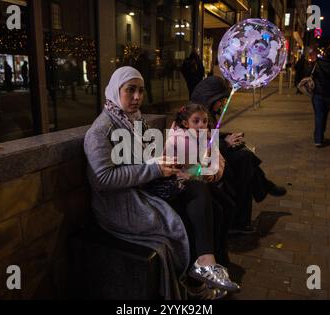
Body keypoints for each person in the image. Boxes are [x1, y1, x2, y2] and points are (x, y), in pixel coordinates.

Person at [84, 66, 239, 300]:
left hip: (146, 187)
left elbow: (147, 157)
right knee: (193, 202)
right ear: (116, 91)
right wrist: (155, 168)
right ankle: (199, 273)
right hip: (121, 203)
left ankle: (204, 269)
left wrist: (165, 164)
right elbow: (104, 179)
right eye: (130, 90)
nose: (137, 97)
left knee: (208, 198)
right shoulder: (100, 131)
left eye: (141, 91)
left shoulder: (134, 121)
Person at [191, 76, 287, 234]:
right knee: (245, 159)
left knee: (244, 153)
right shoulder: (197, 114)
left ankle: (257, 197)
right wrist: (226, 143)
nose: (222, 104)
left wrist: (227, 137)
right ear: (211, 98)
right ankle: (262, 188)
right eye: (220, 100)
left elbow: (210, 137)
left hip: (215, 155)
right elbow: (199, 145)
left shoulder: (207, 111)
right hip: (205, 162)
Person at [163, 103, 234, 266]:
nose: (201, 125)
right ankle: (213, 258)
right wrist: (191, 169)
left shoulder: (208, 138)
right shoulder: (176, 139)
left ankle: (221, 251)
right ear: (186, 123)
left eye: (204, 121)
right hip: (185, 186)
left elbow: (219, 163)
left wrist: (210, 172)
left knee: (228, 205)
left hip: (203, 183)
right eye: (196, 121)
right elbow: (171, 168)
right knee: (217, 210)